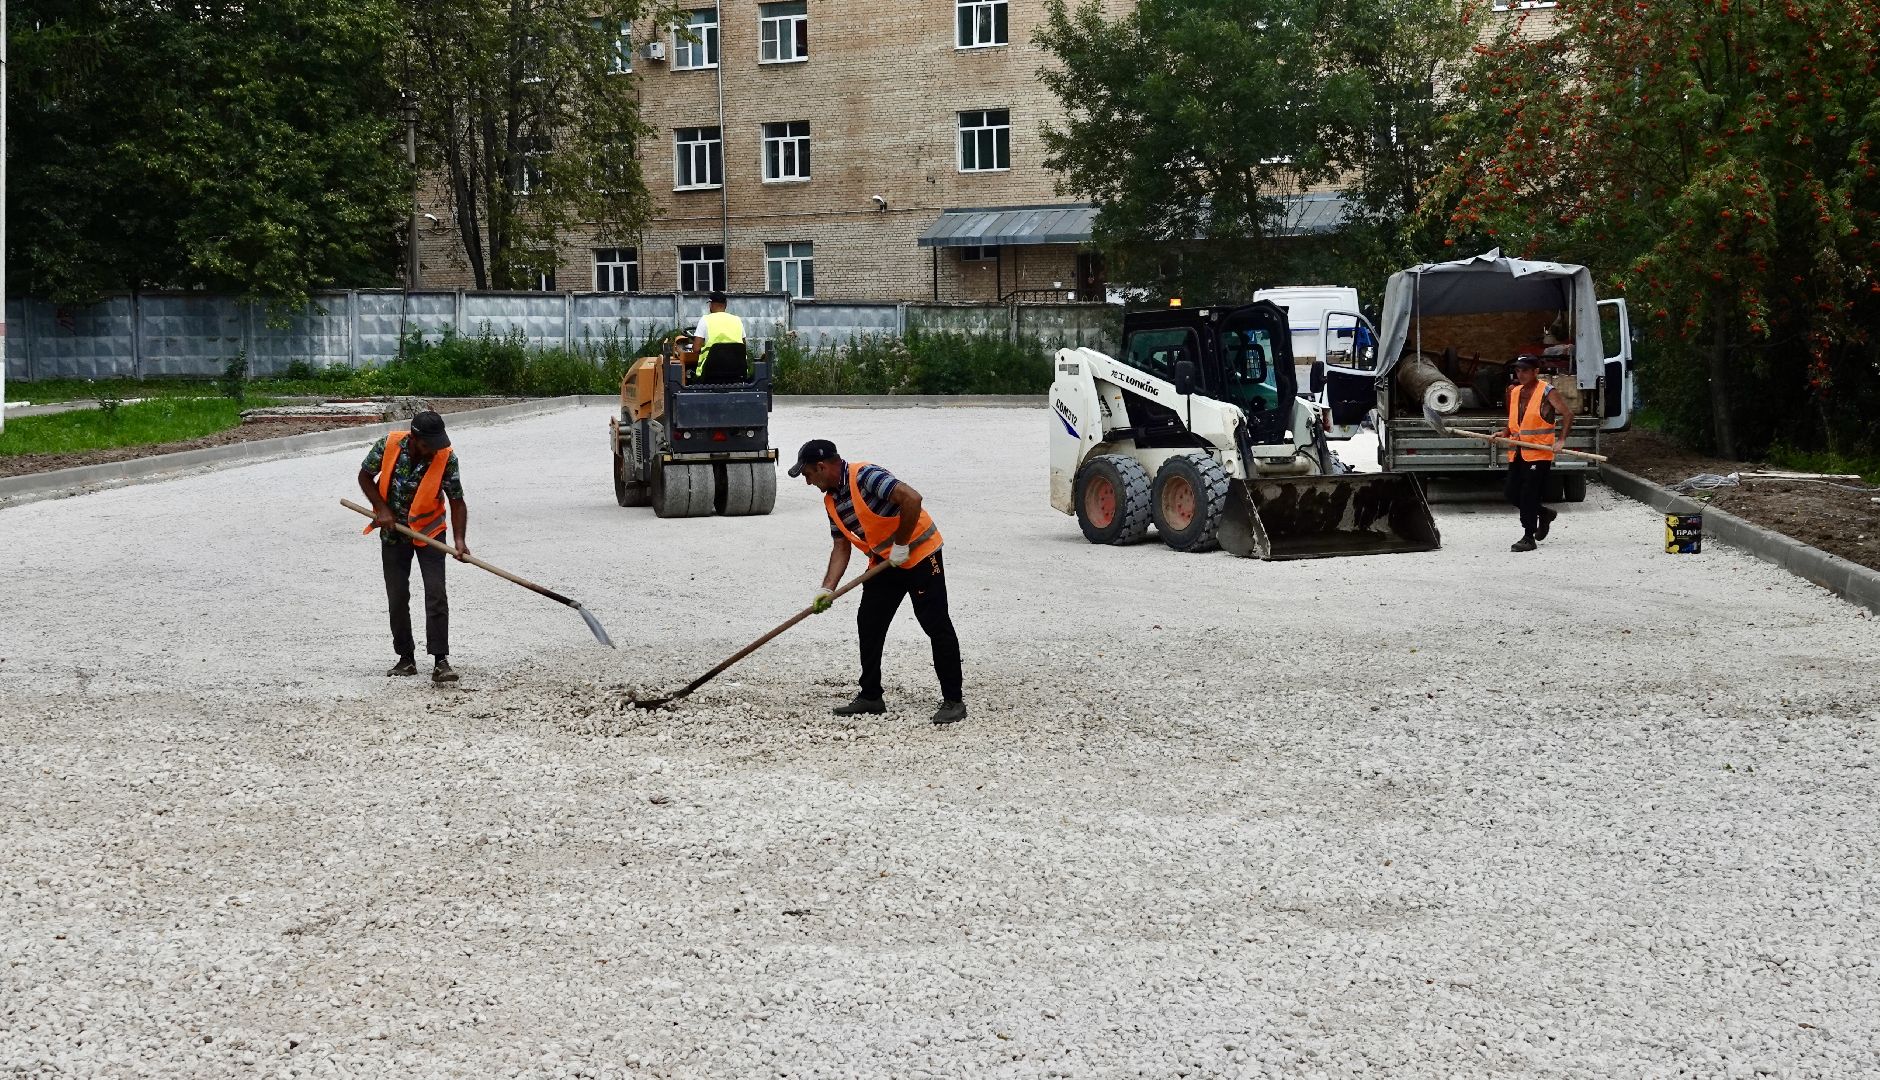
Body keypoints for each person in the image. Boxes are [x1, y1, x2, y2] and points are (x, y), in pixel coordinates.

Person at [790, 439, 966, 725]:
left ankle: (954, 701)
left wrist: (902, 544)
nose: (808, 482)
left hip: (920, 554)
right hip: (887, 563)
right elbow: (841, 546)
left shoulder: (866, 476)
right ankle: (871, 696)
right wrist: (827, 588)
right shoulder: (832, 501)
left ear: (821, 467)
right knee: (869, 623)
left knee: (935, 623)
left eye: (808, 474)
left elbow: (912, 499)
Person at [357, 410, 469, 683]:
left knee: (436, 594)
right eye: (429, 444)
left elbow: (456, 500)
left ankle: (440, 661)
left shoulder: (446, 457)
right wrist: (381, 509)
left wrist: (460, 540)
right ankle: (405, 658)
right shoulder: (389, 445)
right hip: (394, 534)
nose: (435, 449)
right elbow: (364, 476)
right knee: (397, 597)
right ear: (415, 438)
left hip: (431, 533)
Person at [1495, 356, 1574, 552]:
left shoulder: (1547, 391)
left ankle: (1528, 536)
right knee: (1511, 493)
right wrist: (1505, 432)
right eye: (1518, 370)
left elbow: (1568, 414)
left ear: (1536, 371)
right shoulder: (1515, 391)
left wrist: (1561, 440)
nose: (1520, 374)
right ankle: (1544, 513)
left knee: (1529, 494)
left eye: (1525, 370)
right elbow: (1515, 419)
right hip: (1518, 451)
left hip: (1539, 453)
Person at [689, 291, 746, 379]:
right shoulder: (737, 320)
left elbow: (696, 349)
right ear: (725, 304)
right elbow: (743, 346)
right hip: (737, 371)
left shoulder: (705, 320)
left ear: (710, 304)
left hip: (710, 372)